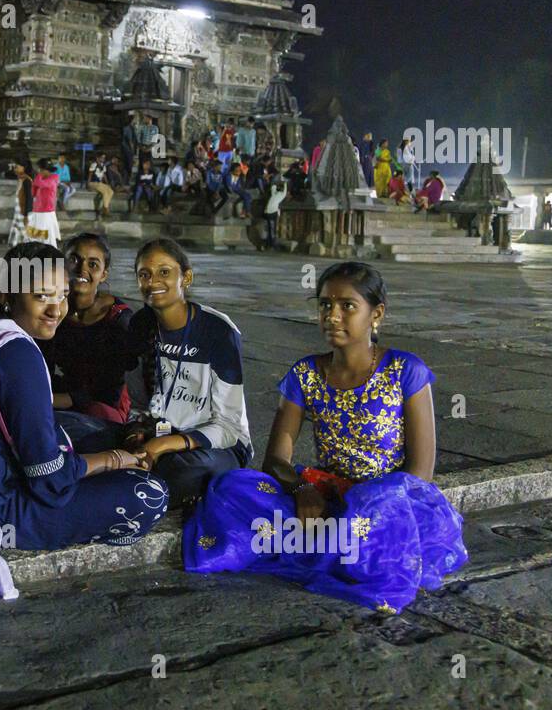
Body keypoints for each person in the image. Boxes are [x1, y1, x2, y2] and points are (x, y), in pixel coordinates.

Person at [184, 262, 467, 613]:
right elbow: (276, 461)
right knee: (233, 488)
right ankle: (333, 543)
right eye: (324, 305)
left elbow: (421, 471)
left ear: (376, 314)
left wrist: (368, 501)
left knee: (373, 524)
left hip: (389, 506)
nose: (332, 315)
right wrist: (304, 490)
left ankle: (336, 544)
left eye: (347, 306)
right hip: (326, 495)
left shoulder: (405, 371)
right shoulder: (305, 374)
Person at [0, 241, 166, 599]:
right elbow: (49, 479)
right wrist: (114, 461)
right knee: (149, 494)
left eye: (61, 296)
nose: (56, 309)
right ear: (9, 293)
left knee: (92, 429)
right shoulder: (18, 352)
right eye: (42, 296)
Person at [124, 239, 253, 507]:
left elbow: (228, 427)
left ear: (187, 277)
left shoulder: (218, 331)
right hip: (158, 433)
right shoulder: (140, 325)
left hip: (213, 446)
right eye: (144, 274)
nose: (153, 281)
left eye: (164, 272)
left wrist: (162, 446)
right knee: (86, 435)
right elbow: (138, 404)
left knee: (186, 471)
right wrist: (136, 433)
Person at [43, 233, 138, 424]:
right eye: (74, 260)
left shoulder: (118, 320)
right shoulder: (52, 310)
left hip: (104, 406)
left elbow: (110, 389)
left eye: (93, 264)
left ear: (103, 274)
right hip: (63, 396)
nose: (81, 269)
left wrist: (50, 400)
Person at [26, 160, 61, 247]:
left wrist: (37, 177)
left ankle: (50, 253)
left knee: (46, 236)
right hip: (37, 210)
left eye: (41, 170)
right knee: (34, 234)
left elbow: (41, 184)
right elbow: (33, 193)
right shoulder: (41, 178)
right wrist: (34, 185)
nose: (39, 172)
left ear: (47, 170)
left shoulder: (54, 178)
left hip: (46, 211)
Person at [7, 162, 32, 246]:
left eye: (17, 167)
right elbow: (9, 174)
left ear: (24, 168)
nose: (15, 169)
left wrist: (26, 215)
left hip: (23, 211)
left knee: (24, 233)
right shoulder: (21, 179)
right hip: (19, 210)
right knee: (18, 230)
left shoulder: (27, 181)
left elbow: (29, 198)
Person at [262, 175, 287, 249]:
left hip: (270, 212)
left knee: (271, 228)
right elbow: (274, 187)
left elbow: (274, 187)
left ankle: (270, 243)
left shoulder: (277, 194)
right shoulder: (278, 194)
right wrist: (283, 183)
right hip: (271, 212)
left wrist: (282, 183)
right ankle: (271, 243)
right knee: (271, 228)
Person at [87, 152, 115, 219]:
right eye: (102, 157)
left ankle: (104, 208)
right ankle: (106, 209)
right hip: (93, 183)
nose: (103, 159)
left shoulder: (103, 166)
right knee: (105, 192)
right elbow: (90, 175)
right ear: (98, 158)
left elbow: (104, 176)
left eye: (104, 158)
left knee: (111, 191)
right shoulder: (94, 165)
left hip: (100, 183)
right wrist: (88, 184)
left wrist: (108, 184)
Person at [120, 112, 138, 182]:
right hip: (127, 150)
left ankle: (126, 179)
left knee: (127, 165)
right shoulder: (128, 128)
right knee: (129, 165)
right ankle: (128, 180)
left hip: (126, 149)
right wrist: (133, 151)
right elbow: (130, 141)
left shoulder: (132, 128)